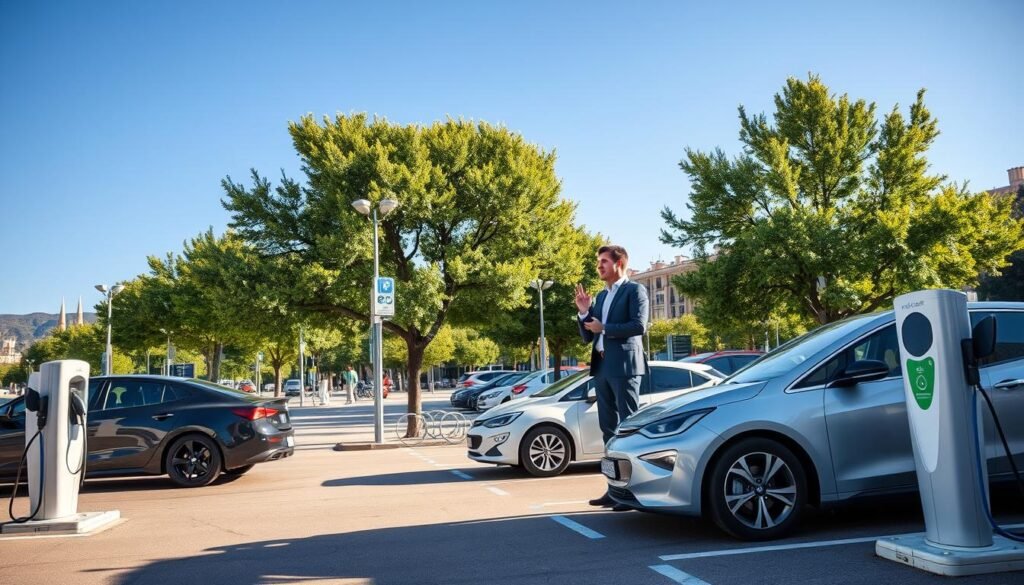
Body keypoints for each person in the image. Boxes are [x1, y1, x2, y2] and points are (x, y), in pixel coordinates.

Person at [575, 244, 649, 511]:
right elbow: (588, 335)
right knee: (608, 431)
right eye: (599, 262)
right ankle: (614, 489)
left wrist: (604, 327)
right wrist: (584, 312)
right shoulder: (601, 297)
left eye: (604, 261)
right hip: (602, 368)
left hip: (625, 367)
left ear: (619, 263)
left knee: (628, 428)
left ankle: (633, 491)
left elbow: (638, 326)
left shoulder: (635, 290)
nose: (599, 266)